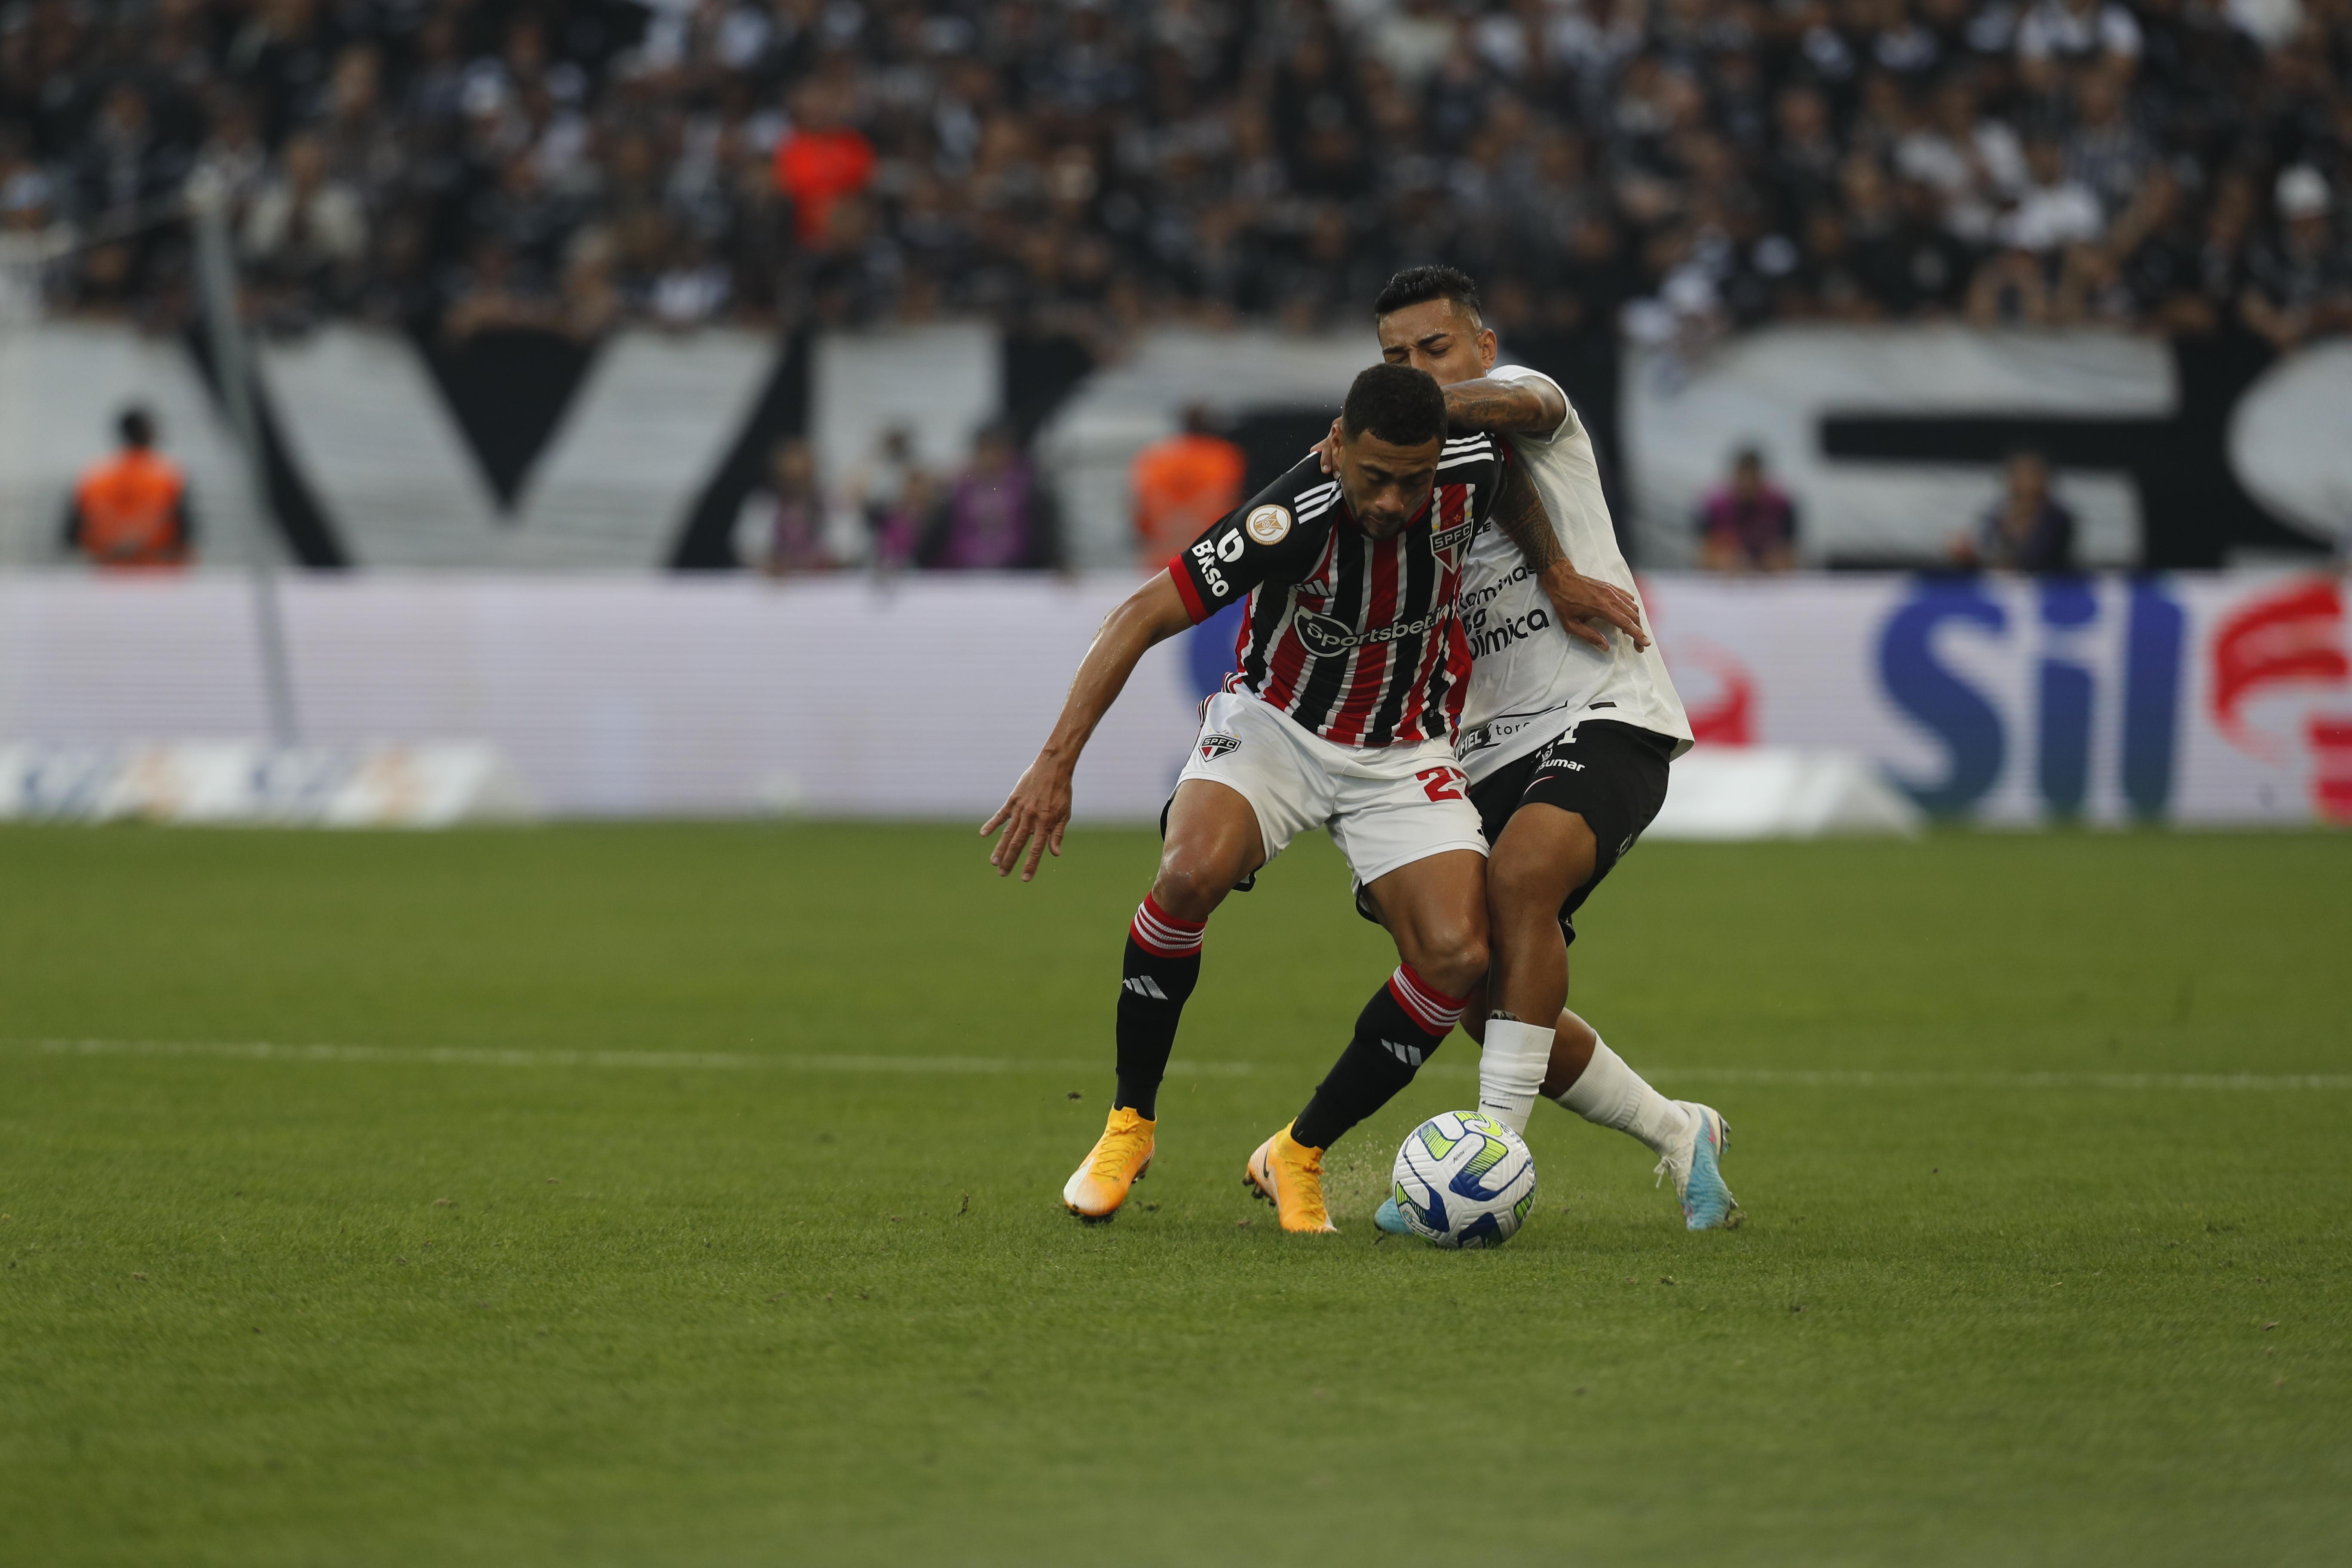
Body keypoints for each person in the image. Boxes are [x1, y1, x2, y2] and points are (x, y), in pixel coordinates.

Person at [983, 363, 1585, 1233]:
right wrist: (1054, 763)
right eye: (1375, 476)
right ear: (1338, 447)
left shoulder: (1465, 468)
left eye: (1412, 481)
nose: (1392, 500)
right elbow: (1139, 615)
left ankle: (1297, 1150)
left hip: (1401, 749)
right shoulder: (1285, 517)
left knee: (1457, 958)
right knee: (1190, 875)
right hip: (1275, 727)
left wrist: (1557, 572)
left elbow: (1513, 476)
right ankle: (1129, 1124)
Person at [1308, 265, 1736, 1232]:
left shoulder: (1535, 401)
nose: (1417, 368)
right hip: (1474, 752)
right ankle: (1679, 1131)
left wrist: (1398, 410)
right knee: (1464, 980)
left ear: (1483, 347)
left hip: (1605, 706)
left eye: (1436, 348)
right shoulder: (1400, 490)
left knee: (1523, 877)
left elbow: (1520, 407)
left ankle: (1491, 1163)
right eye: (1395, 360)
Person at [62, 407, 196, 570]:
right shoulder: (170, 477)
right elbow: (187, 532)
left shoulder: (93, 478)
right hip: (158, 576)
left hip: (106, 575)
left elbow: (70, 535)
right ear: (149, 433)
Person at [918, 423, 1062, 571]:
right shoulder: (956, 491)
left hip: (1017, 574)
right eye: (985, 451)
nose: (990, 458)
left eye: (997, 451)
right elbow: (932, 541)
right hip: (963, 574)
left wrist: (1056, 563)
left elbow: (1045, 539)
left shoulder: (1029, 491)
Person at [1129, 404, 1246, 570]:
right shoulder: (1225, 458)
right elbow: (1236, 507)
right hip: (1213, 563)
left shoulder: (1153, 459)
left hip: (1161, 564)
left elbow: (1140, 518)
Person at [1954, 449, 2076, 573]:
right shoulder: (1995, 516)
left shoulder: (2057, 520)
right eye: (2020, 474)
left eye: (2032, 474)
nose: (2027, 482)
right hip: (2000, 584)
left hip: (2046, 585)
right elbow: (1988, 553)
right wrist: (1970, 557)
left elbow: (2041, 559)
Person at [732, 437, 833, 575]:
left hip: (821, 586)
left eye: (801, 478)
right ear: (778, 475)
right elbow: (746, 548)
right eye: (789, 479)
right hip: (775, 587)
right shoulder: (762, 504)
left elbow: (845, 549)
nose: (795, 486)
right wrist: (770, 562)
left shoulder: (827, 504)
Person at [1698, 447, 1800, 572]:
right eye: (1743, 481)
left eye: (1753, 480)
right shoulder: (1717, 508)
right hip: (1727, 579)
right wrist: (1721, 560)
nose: (1748, 487)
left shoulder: (1780, 506)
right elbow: (1704, 555)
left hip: (1770, 578)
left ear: (1761, 479)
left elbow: (1790, 554)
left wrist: (1775, 560)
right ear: (1735, 478)